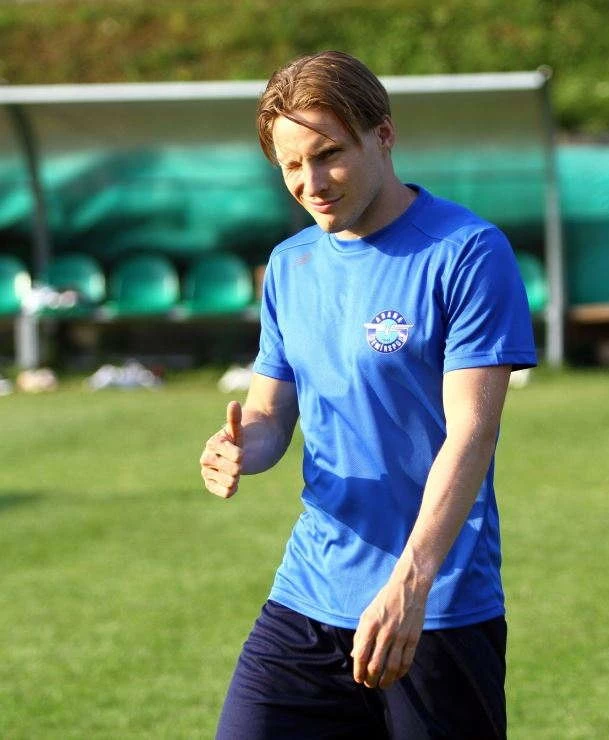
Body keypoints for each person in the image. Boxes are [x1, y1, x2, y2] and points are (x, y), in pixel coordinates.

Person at [200, 50, 537, 739]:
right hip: (309, 594)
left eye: (329, 155)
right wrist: (238, 447)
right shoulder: (291, 266)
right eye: (292, 166)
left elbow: (471, 432)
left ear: (383, 134)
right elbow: (269, 414)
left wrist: (411, 584)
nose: (312, 183)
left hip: (435, 606)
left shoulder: (466, 252)